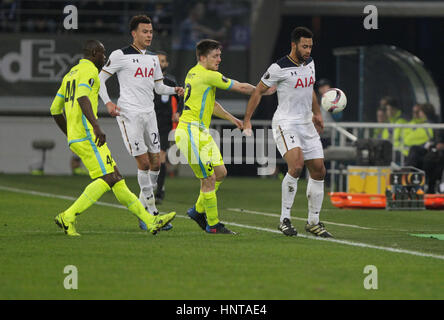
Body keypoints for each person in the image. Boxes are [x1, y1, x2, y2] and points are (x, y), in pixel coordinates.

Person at [50, 40, 176, 236]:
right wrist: (96, 127)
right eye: (102, 53)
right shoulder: (90, 71)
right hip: (88, 135)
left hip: (79, 137)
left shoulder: (70, 74)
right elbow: (83, 98)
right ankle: (68, 216)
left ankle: (150, 221)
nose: (105, 57)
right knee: (108, 178)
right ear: (93, 53)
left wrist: (70, 135)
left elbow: (55, 109)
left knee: (116, 179)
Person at [176, 39, 273, 234]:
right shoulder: (208, 75)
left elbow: (211, 104)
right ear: (203, 57)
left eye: (220, 55)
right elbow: (241, 87)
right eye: (215, 56)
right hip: (189, 132)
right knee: (209, 178)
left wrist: (233, 119)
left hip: (201, 132)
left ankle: (197, 210)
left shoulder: (193, 72)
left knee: (220, 173)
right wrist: (263, 90)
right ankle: (213, 224)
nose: (220, 59)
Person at [243, 26, 332, 238]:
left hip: (306, 123)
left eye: (310, 46)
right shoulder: (278, 68)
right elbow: (258, 91)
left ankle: (313, 222)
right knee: (297, 165)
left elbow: (309, 88)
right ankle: (284, 219)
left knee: (319, 170)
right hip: (285, 123)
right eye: (304, 46)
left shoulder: (310, 63)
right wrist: (247, 120)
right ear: (294, 45)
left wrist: (317, 113)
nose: (308, 50)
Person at [98, 15, 184, 231]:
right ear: (134, 33)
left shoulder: (153, 59)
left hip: (150, 115)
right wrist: (108, 103)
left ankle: (143, 212)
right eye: (144, 31)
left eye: (151, 32)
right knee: (144, 164)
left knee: (156, 164)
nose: (149, 35)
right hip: (130, 115)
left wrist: (175, 90)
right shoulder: (120, 55)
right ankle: (153, 213)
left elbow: (158, 88)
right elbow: (99, 79)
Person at [153, 50, 183, 203]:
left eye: (163, 61)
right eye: (157, 60)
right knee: (150, 159)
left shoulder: (171, 82)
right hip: (148, 123)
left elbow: (182, 98)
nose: (160, 63)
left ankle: (159, 190)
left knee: (160, 158)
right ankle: (154, 186)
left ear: (167, 64)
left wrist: (178, 112)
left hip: (164, 124)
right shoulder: (147, 80)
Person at [404, 103, 436, 168]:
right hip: (423, 150)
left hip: (427, 151)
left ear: (424, 112)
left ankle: (407, 171)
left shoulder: (427, 125)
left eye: (419, 111)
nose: (418, 114)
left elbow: (409, 140)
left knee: (414, 150)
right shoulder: (427, 124)